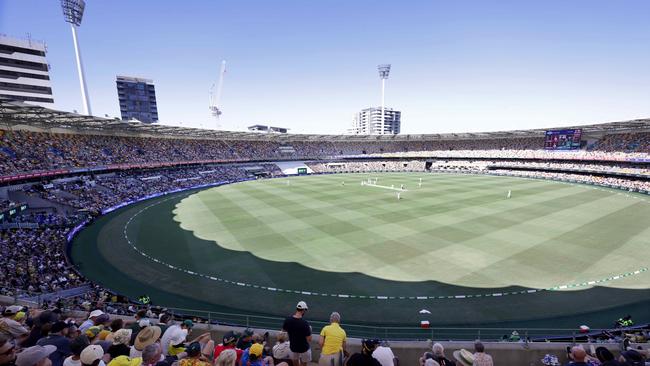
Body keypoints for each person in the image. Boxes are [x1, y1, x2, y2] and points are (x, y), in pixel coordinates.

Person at [281, 302, 311, 366]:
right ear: (303, 310)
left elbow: (283, 332)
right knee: (303, 364)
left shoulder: (287, 320)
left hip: (293, 347)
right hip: (304, 348)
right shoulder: (305, 323)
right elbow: (309, 339)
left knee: (295, 363)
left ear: (297, 309)